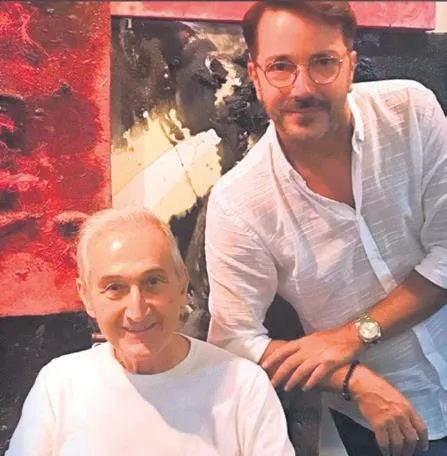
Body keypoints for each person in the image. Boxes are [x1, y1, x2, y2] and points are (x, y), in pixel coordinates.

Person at [205, 1, 447, 455]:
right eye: (281, 66)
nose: (302, 88)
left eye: (323, 62)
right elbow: (235, 341)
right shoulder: (239, 204)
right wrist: (351, 377)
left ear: (350, 64)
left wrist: (349, 338)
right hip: (380, 424)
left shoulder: (410, 112)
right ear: (255, 76)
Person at [6, 207, 294, 456]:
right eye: (115, 288)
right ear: (86, 296)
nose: (137, 311)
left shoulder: (243, 386)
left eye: (152, 282)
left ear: (182, 284)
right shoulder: (59, 385)